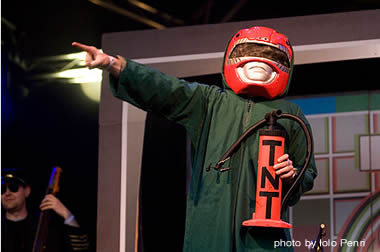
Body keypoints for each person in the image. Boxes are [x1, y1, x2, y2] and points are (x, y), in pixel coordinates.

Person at [73, 26, 318, 251]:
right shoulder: (209, 102)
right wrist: (114, 64)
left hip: (264, 237)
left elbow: (307, 172)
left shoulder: (291, 115)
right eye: (250, 52)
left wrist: (293, 174)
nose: (260, 61)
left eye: (272, 56)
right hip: (210, 230)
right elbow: (165, 89)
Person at [1, 168, 90, 252]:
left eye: (13, 188)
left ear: (27, 191)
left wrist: (67, 214)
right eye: (2, 190)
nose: (7, 193)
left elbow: (82, 248)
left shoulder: (46, 226)